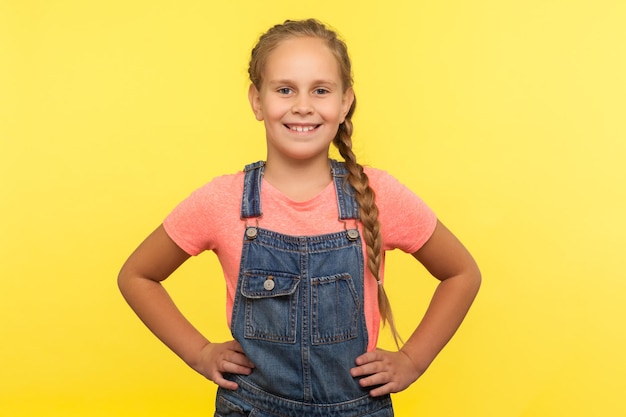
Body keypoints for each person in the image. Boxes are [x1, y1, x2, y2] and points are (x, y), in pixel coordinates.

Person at [118, 18, 481, 417]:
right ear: (257, 100)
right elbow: (137, 275)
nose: (302, 105)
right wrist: (200, 353)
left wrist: (413, 360)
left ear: (345, 103)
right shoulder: (223, 200)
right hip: (252, 407)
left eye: (320, 90)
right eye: (285, 89)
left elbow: (462, 273)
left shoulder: (377, 195)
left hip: (357, 408)